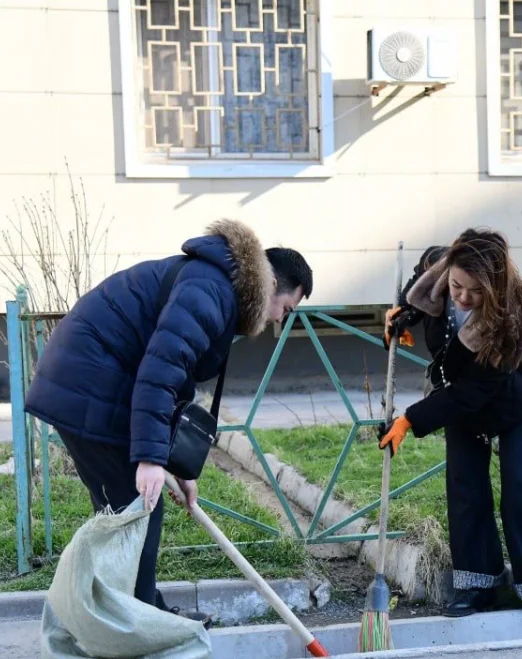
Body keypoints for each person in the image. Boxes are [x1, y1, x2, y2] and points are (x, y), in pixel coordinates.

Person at [25, 219, 313, 626]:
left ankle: (138, 617)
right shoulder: (209, 292)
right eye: (286, 308)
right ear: (272, 286)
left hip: (99, 381)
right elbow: (160, 372)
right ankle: (135, 627)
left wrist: (176, 462)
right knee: (135, 510)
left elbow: (175, 379)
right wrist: (149, 458)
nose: (279, 320)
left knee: (130, 514)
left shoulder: (218, 288)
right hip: (86, 383)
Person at [379, 228, 522, 617]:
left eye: (474, 293)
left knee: (520, 481)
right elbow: (419, 286)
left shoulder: (513, 317)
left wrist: (410, 420)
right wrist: (401, 315)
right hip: (460, 385)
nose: (461, 297)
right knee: (464, 482)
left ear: (494, 290)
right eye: (457, 286)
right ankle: (479, 585)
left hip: (516, 389)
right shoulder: (441, 269)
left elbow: (472, 394)